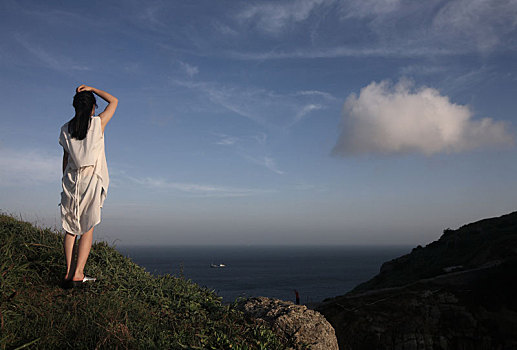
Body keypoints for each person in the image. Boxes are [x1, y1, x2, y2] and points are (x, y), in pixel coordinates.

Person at [59, 84, 118, 287]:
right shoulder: (97, 123)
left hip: (72, 179)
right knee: (87, 227)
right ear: (93, 107)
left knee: (70, 228)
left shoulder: (66, 128)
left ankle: (68, 273)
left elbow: (65, 159)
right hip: (91, 178)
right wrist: (93, 88)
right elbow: (114, 101)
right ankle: (78, 273)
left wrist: (65, 181)